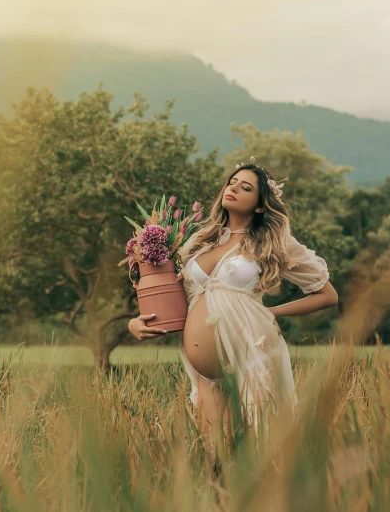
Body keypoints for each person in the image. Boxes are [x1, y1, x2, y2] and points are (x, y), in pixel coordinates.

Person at [127, 157, 339, 474]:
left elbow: (327, 295)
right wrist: (135, 322)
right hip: (205, 372)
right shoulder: (198, 240)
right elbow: (171, 296)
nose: (234, 188)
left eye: (246, 187)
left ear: (259, 205)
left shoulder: (274, 242)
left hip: (251, 352)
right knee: (212, 460)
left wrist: (269, 314)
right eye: (232, 182)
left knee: (256, 450)